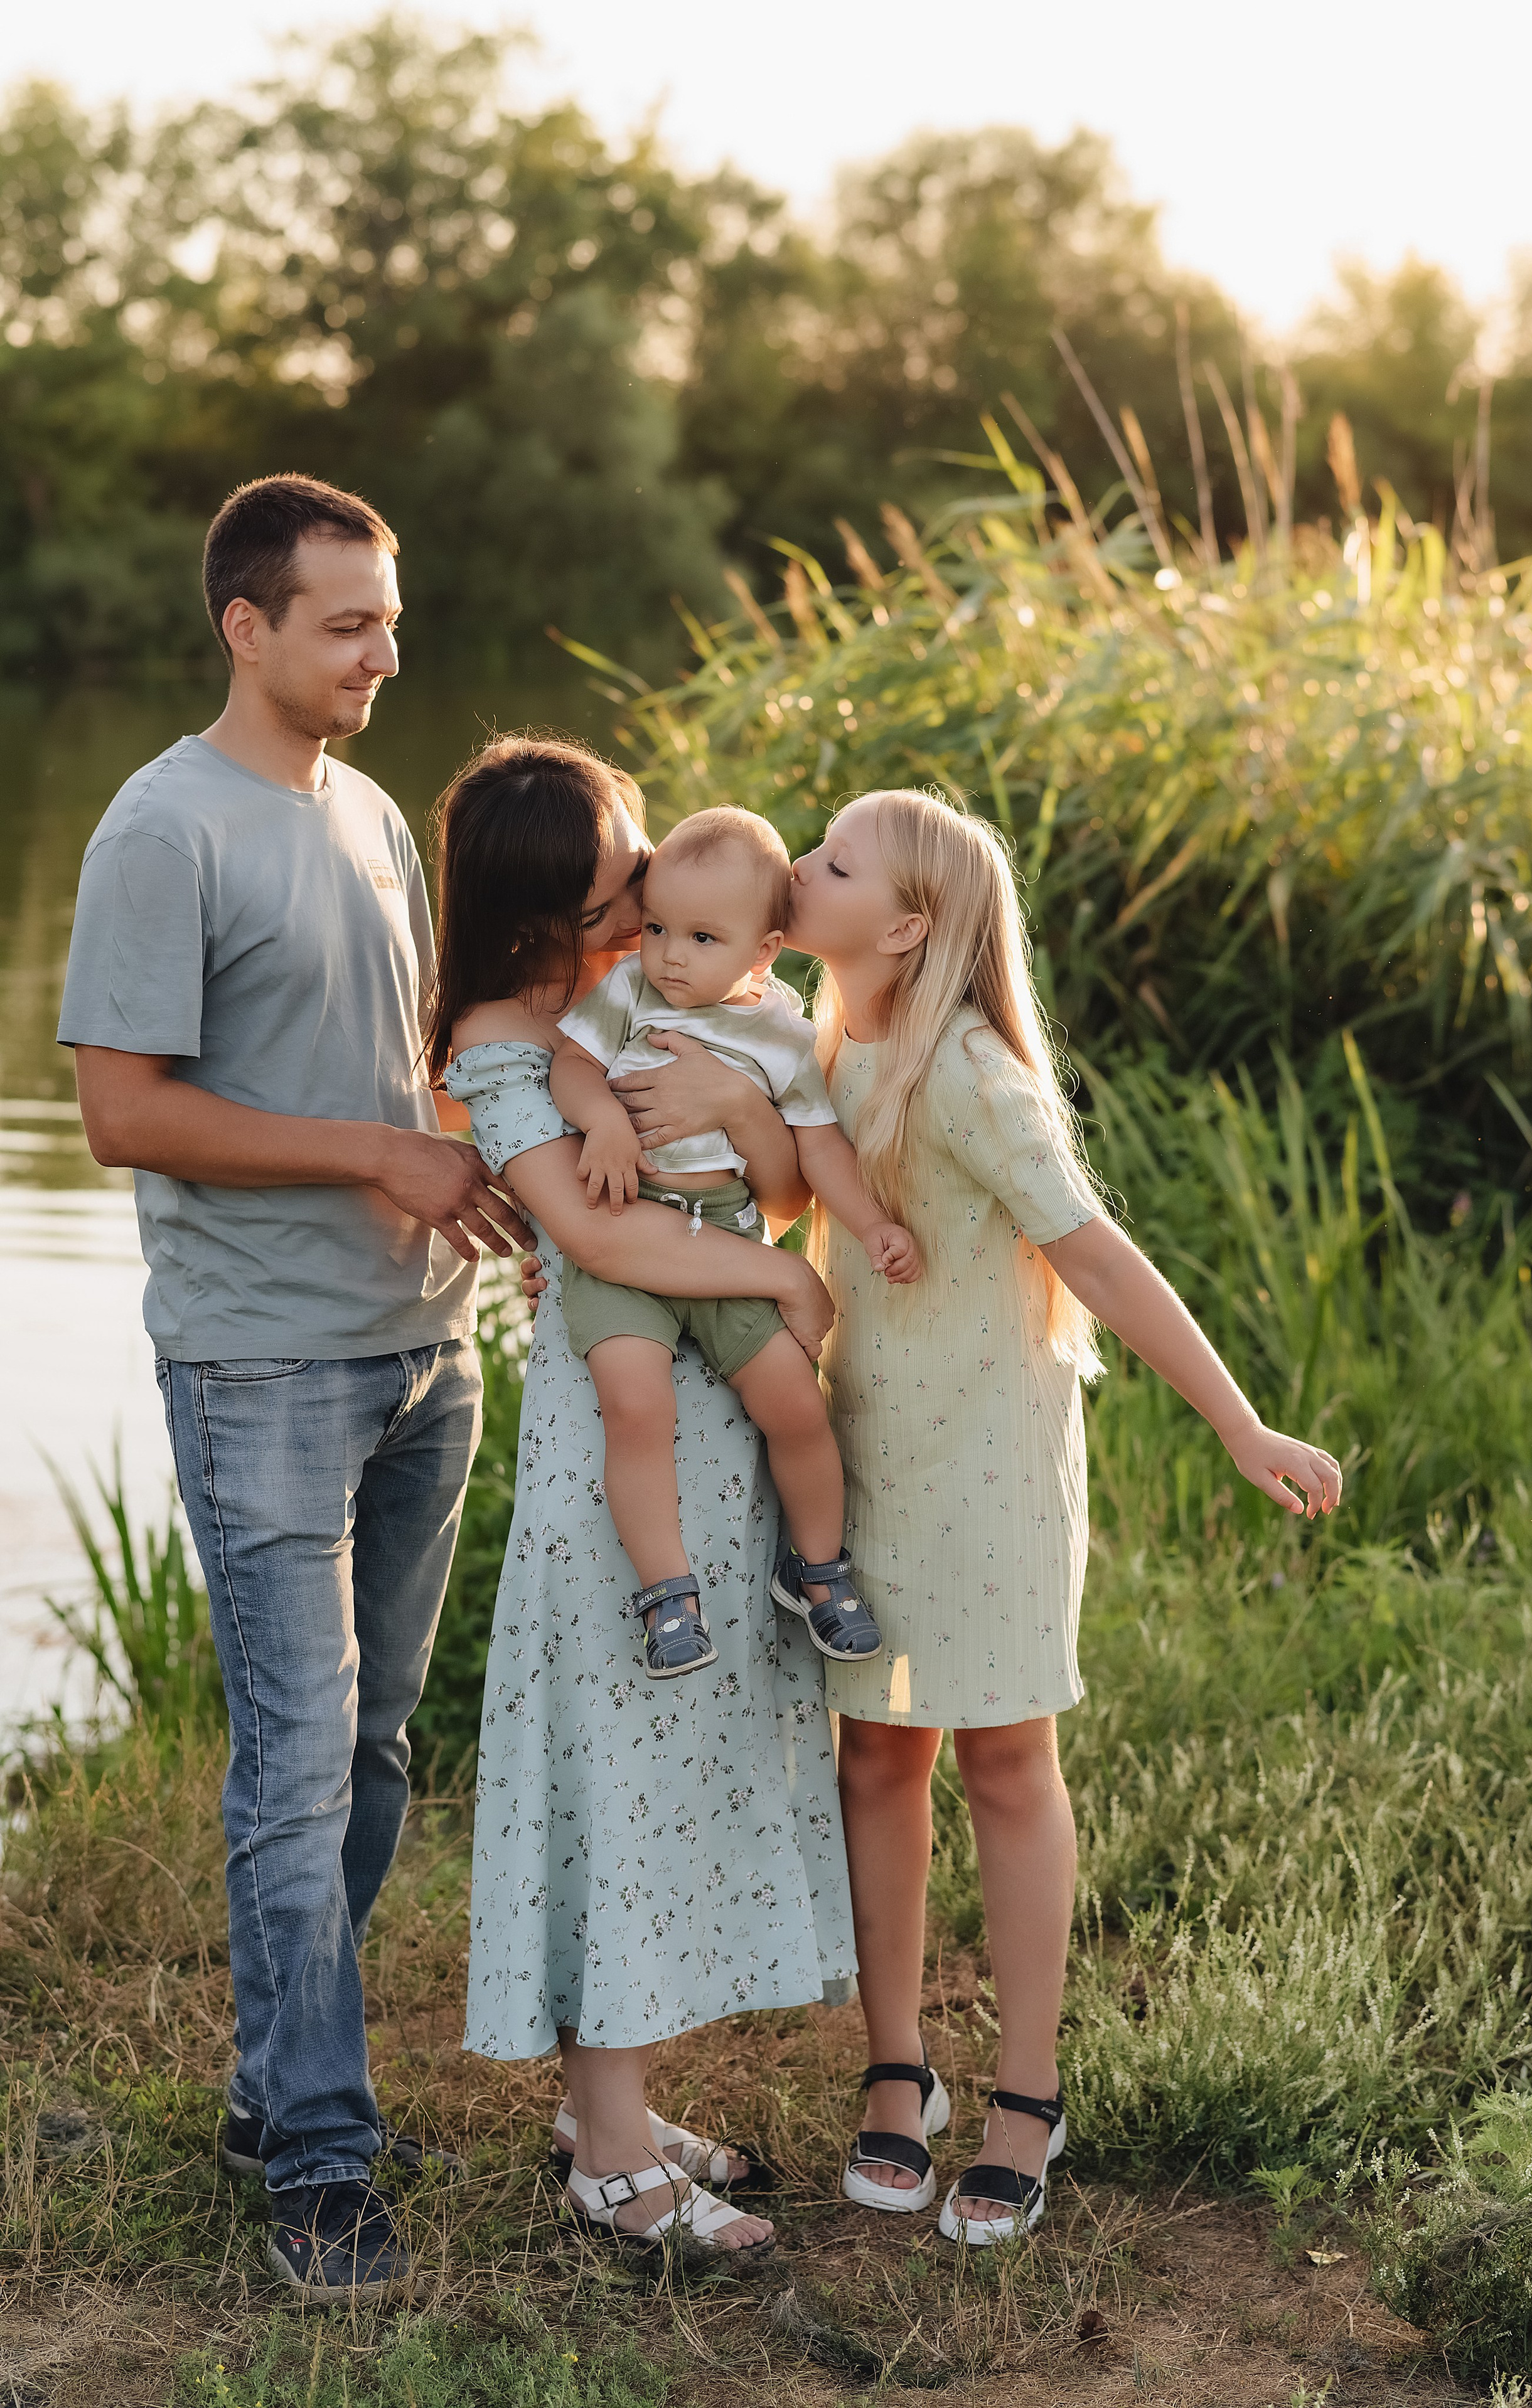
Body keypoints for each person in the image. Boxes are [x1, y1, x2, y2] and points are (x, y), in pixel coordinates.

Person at [56, 474, 538, 2299]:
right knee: (291, 1758)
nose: (385, 654)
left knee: (374, 1750)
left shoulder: (367, 820)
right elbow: (125, 1111)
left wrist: (506, 1177)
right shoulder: (160, 828)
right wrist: (369, 1156)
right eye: (348, 622)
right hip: (260, 1358)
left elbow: (406, 1071)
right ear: (245, 626)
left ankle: (281, 2088)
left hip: (423, 1351)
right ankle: (322, 2163)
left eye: (392, 619)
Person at [783, 788, 1342, 2247]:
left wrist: (1237, 1420)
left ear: (905, 925)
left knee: (1007, 1759)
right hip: (869, 1453)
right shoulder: (818, 1036)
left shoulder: (969, 1072)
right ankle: (895, 2067)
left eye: (831, 862)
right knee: (875, 1758)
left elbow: (1093, 1253)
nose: (798, 867)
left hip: (991, 1462)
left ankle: (1025, 2088)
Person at [427, 735, 856, 2256]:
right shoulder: (501, 1036)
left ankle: (608, 2098)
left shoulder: (638, 1011)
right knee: (610, 1747)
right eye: (622, 874)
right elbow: (605, 1245)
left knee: (668, 1743)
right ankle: (608, 2152)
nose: (646, 889)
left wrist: (747, 1152)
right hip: (616, 1449)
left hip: (710, 1428)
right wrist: (777, 1279)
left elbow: (775, 1156)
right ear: (551, 899)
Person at [549, 806, 914, 1680]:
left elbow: (818, 1150)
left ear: (765, 950)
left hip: (723, 1238)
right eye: (661, 927)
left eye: (703, 937)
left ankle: (817, 1567)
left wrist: (872, 1225)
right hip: (626, 1229)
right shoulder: (628, 994)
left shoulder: (784, 1036)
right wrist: (600, 1118)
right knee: (636, 1403)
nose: (670, 953)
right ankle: (667, 1594)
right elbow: (571, 1065)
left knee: (794, 1400)